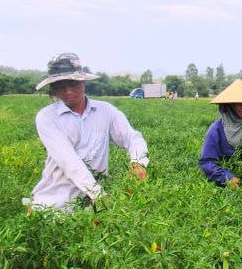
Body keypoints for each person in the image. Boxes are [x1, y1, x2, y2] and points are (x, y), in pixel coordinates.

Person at [24, 52, 149, 211]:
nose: (68, 91)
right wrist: (99, 195)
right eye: (60, 86)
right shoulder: (47, 117)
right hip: (53, 204)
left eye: (72, 83)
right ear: (53, 89)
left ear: (83, 81)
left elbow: (133, 138)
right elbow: (69, 161)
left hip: (91, 206)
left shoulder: (106, 111)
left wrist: (138, 162)